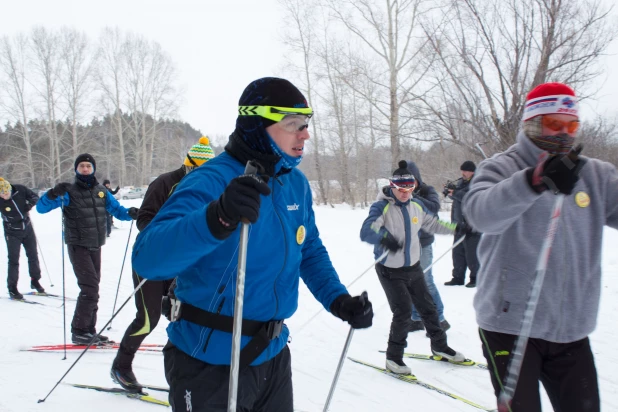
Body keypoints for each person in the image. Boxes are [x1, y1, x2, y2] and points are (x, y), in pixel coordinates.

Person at [131, 77, 373, 411]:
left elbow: (309, 250)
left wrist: (338, 299)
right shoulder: (210, 180)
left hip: (272, 356)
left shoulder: (295, 184)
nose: (304, 134)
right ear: (257, 124)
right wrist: (216, 217)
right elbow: (148, 258)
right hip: (209, 363)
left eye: (305, 124)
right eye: (292, 125)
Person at [464, 82, 607, 412]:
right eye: (554, 125)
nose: (563, 134)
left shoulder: (596, 175)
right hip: (509, 326)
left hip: (570, 329)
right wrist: (533, 181)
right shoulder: (501, 167)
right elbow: (480, 214)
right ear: (532, 123)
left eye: (571, 125)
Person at [111, 136, 215, 392]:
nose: (200, 174)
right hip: (153, 259)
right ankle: (121, 366)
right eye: (197, 168)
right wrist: (167, 241)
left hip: (183, 262)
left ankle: (188, 373)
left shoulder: (209, 186)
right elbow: (144, 219)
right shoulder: (165, 182)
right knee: (148, 319)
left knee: (184, 316)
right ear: (188, 164)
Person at [360, 160, 467, 375]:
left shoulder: (415, 205)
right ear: (392, 186)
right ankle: (394, 358)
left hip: (413, 266)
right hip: (390, 269)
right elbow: (366, 231)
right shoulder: (382, 206)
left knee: (428, 308)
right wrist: (383, 238)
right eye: (401, 189)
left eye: (409, 188)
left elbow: (434, 224)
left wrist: (459, 228)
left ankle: (440, 346)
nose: (405, 193)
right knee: (403, 312)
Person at [36, 153, 139, 344]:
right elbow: (41, 209)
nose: (85, 169)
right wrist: (52, 193)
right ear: (76, 169)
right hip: (78, 245)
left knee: (93, 288)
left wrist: (130, 213)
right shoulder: (68, 191)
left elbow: (116, 210)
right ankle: (79, 331)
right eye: (81, 166)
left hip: (95, 244)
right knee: (89, 288)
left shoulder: (101, 191)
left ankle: (88, 329)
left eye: (88, 166)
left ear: (93, 169)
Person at [404, 161, 450, 334]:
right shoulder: (400, 193)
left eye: (411, 180)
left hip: (423, 244)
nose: (408, 184)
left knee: (425, 281)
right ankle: (416, 318)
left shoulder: (427, 191)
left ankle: (440, 318)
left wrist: (413, 198)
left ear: (417, 179)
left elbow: (433, 208)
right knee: (411, 282)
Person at [0, 178, 44, 299]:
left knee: (33, 255)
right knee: (13, 260)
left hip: (27, 227)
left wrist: (29, 204)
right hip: (12, 232)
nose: (4, 196)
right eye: (1, 194)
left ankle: (35, 280)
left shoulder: (20, 189)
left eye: (6, 193)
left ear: (10, 189)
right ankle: (12, 287)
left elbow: (35, 197)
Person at [444, 161, 481, 287]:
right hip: (459, 224)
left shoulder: (477, 183)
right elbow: (457, 199)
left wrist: (455, 193)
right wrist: (450, 192)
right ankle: (458, 277)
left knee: (472, 254)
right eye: (462, 171)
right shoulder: (460, 182)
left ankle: (475, 278)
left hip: (472, 225)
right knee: (458, 254)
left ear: (472, 171)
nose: (463, 173)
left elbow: (469, 198)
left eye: (465, 171)